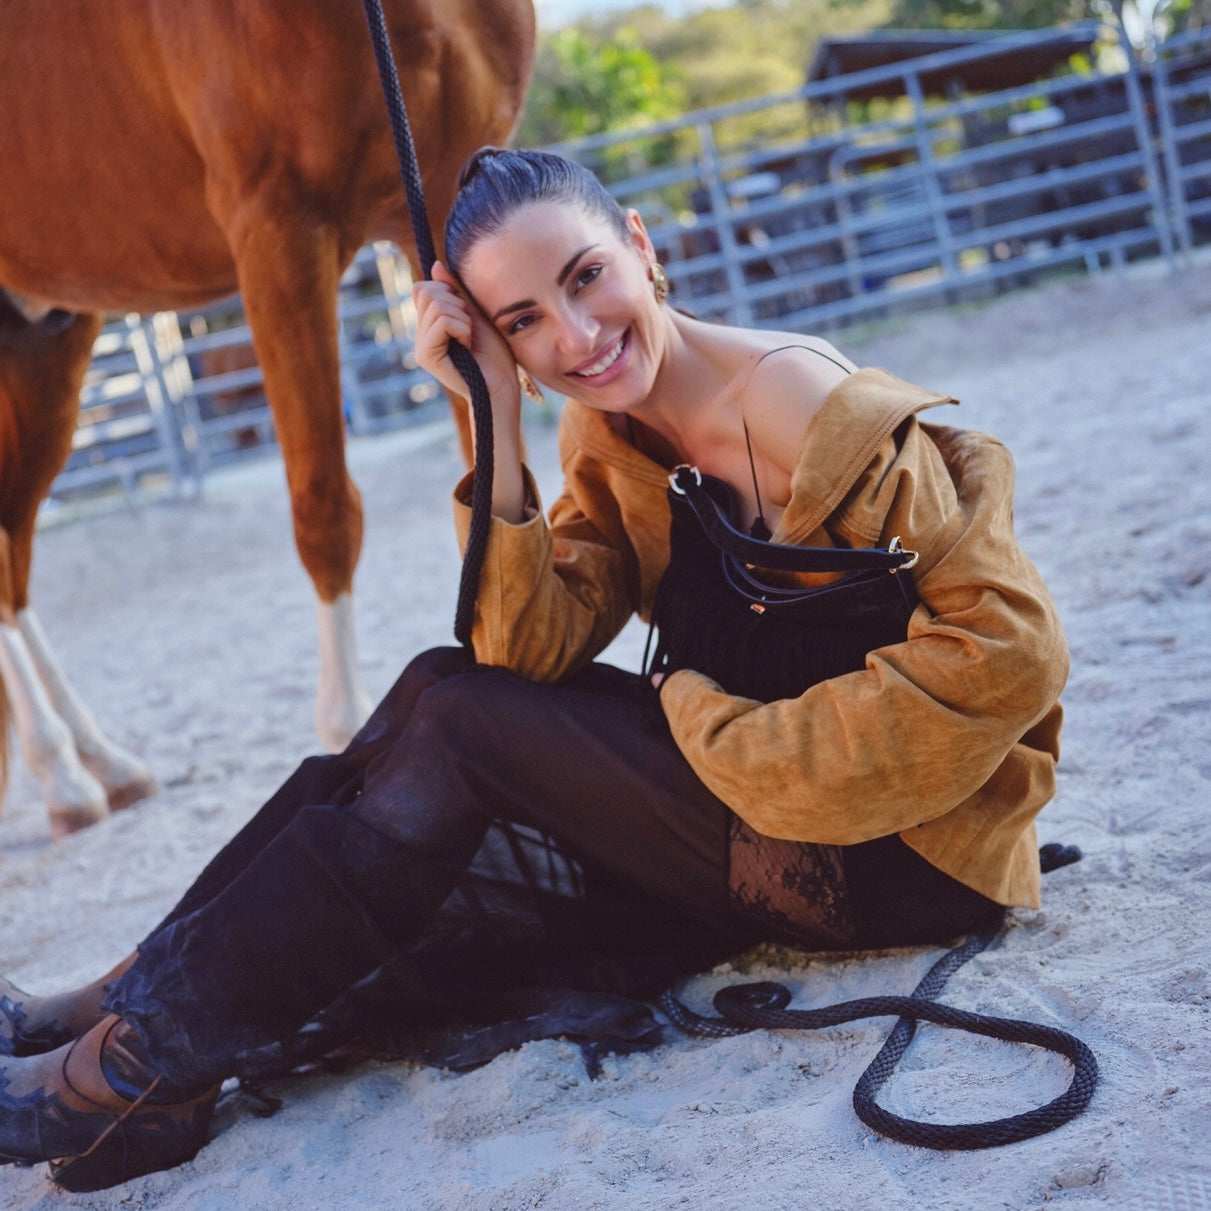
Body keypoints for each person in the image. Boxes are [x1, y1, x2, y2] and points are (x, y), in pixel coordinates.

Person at [0, 148, 1068, 1191]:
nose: (575, 337)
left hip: (895, 853)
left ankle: (129, 1063)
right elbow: (522, 651)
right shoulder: (610, 434)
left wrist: (706, 725)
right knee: (438, 686)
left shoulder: (805, 407)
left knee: (464, 729)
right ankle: (133, 1012)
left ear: (638, 245)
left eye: (585, 276)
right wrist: (494, 411)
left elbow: (1007, 653)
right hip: (756, 811)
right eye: (521, 323)